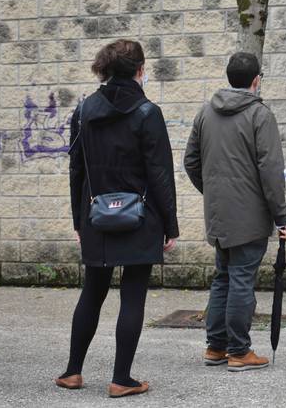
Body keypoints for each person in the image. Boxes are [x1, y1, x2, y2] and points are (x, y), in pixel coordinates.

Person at [61, 39, 179, 398]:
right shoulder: (147, 112)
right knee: (132, 296)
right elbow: (160, 174)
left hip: (96, 216)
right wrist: (170, 225)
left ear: (104, 69)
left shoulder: (83, 111)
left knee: (92, 291)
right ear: (140, 71)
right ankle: (120, 379)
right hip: (140, 217)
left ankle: (72, 372)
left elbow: (76, 170)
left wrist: (79, 221)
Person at [184, 52, 286, 372]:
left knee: (223, 278)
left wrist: (214, 192)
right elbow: (271, 171)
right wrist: (282, 217)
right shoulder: (260, 115)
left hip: (219, 214)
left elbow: (191, 161)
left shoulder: (206, 112)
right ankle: (239, 350)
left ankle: (215, 347)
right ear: (256, 80)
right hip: (250, 216)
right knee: (241, 280)